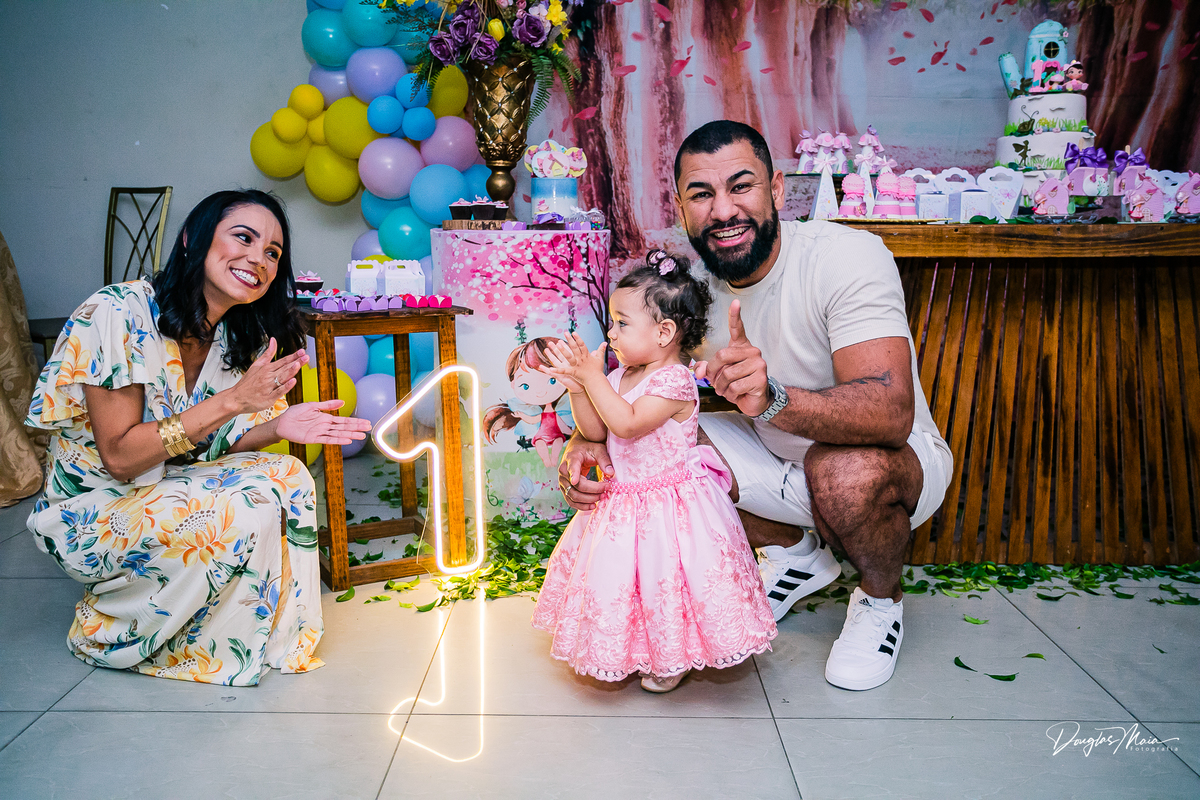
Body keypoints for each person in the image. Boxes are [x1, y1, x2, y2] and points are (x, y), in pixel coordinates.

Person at [558, 121, 953, 692]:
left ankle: (879, 599)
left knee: (842, 471)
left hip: (886, 460)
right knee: (657, 458)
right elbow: (637, 393)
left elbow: (891, 415)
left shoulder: (846, 256)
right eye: (702, 194)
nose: (724, 210)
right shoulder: (688, 291)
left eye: (741, 186)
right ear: (681, 208)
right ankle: (796, 554)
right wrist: (587, 441)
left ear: (777, 188)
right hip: (772, 455)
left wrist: (771, 399)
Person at [24, 189, 371, 685]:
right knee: (241, 508)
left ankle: (252, 636)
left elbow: (209, 444)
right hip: (96, 506)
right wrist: (232, 401)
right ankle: (112, 631)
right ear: (193, 237)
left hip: (164, 486)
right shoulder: (118, 311)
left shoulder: (236, 336)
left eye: (273, 252)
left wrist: (277, 427)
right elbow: (121, 457)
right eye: (244, 238)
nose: (259, 259)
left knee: (289, 476)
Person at [531, 250, 777, 693]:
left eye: (622, 323)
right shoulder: (621, 374)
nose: (611, 332)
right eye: (613, 321)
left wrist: (592, 378)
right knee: (624, 583)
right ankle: (629, 648)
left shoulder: (674, 382)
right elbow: (598, 431)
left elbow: (628, 423)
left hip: (669, 506)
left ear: (664, 332)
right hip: (623, 501)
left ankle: (671, 655)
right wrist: (579, 389)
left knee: (667, 583)